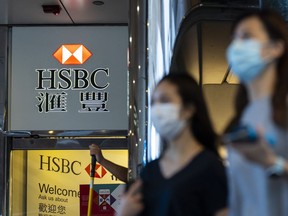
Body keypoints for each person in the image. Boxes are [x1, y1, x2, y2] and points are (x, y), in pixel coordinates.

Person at [117, 73, 228, 216]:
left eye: (164, 100)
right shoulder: (150, 172)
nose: (157, 109)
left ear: (188, 109)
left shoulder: (211, 169)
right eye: (153, 103)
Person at [225, 9, 288, 216]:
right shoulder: (242, 117)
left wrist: (273, 163)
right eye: (234, 39)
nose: (236, 46)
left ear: (276, 47)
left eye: (246, 36)